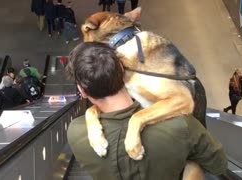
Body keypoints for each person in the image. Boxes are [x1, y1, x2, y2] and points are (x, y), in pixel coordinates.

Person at [66, 42, 227, 180]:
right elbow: (219, 165)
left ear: (83, 90)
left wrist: (91, 114)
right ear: (122, 69)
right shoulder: (182, 125)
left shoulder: (76, 132)